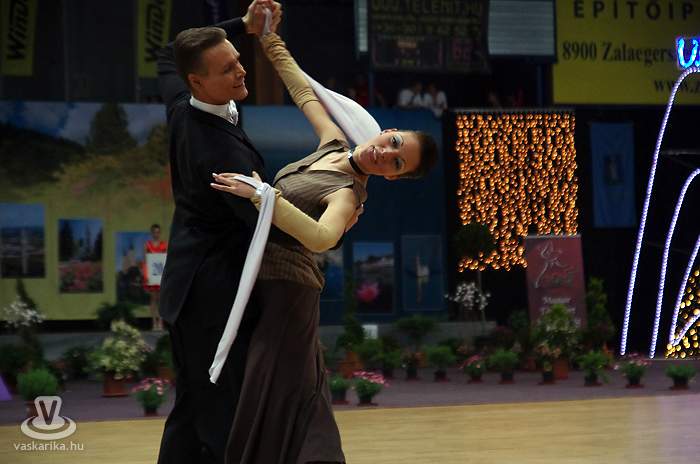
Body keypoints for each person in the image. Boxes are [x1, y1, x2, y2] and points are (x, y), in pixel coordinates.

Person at [210, 27, 438, 464]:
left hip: (288, 294)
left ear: (393, 176)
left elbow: (322, 237)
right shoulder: (332, 143)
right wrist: (269, 37)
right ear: (387, 131)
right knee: (294, 398)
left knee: (270, 395)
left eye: (396, 162)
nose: (385, 154)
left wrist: (263, 196)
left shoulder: (348, 194)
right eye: (393, 143)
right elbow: (302, 88)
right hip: (270, 285)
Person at [154, 2, 284, 463]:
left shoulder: (181, 102)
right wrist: (333, 228)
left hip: (188, 288)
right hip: (212, 301)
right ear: (197, 81)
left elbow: (168, 52)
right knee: (222, 417)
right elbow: (268, 227)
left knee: (193, 412)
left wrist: (244, 26)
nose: (240, 70)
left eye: (238, 59)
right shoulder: (222, 157)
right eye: (227, 68)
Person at [142, 224, 167, 331]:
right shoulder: (147, 245)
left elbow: (167, 261)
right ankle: (154, 322)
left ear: (160, 233)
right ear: (151, 233)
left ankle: (161, 322)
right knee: (153, 299)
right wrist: (146, 275)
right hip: (152, 275)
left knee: (161, 299)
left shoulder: (164, 245)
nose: (156, 234)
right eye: (154, 232)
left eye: (158, 232)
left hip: (161, 275)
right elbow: (145, 262)